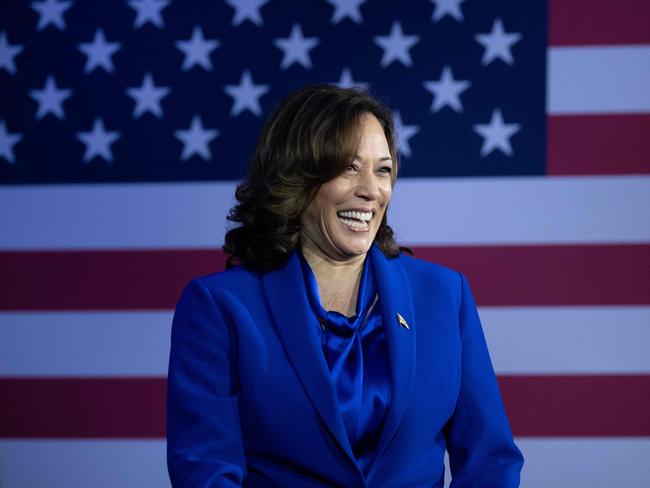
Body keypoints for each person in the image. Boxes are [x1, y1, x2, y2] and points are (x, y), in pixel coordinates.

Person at [166, 85, 524, 487]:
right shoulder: (221, 306)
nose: (371, 190)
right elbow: (205, 470)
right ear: (297, 178)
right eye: (349, 168)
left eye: (383, 169)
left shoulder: (444, 295)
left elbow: (490, 461)